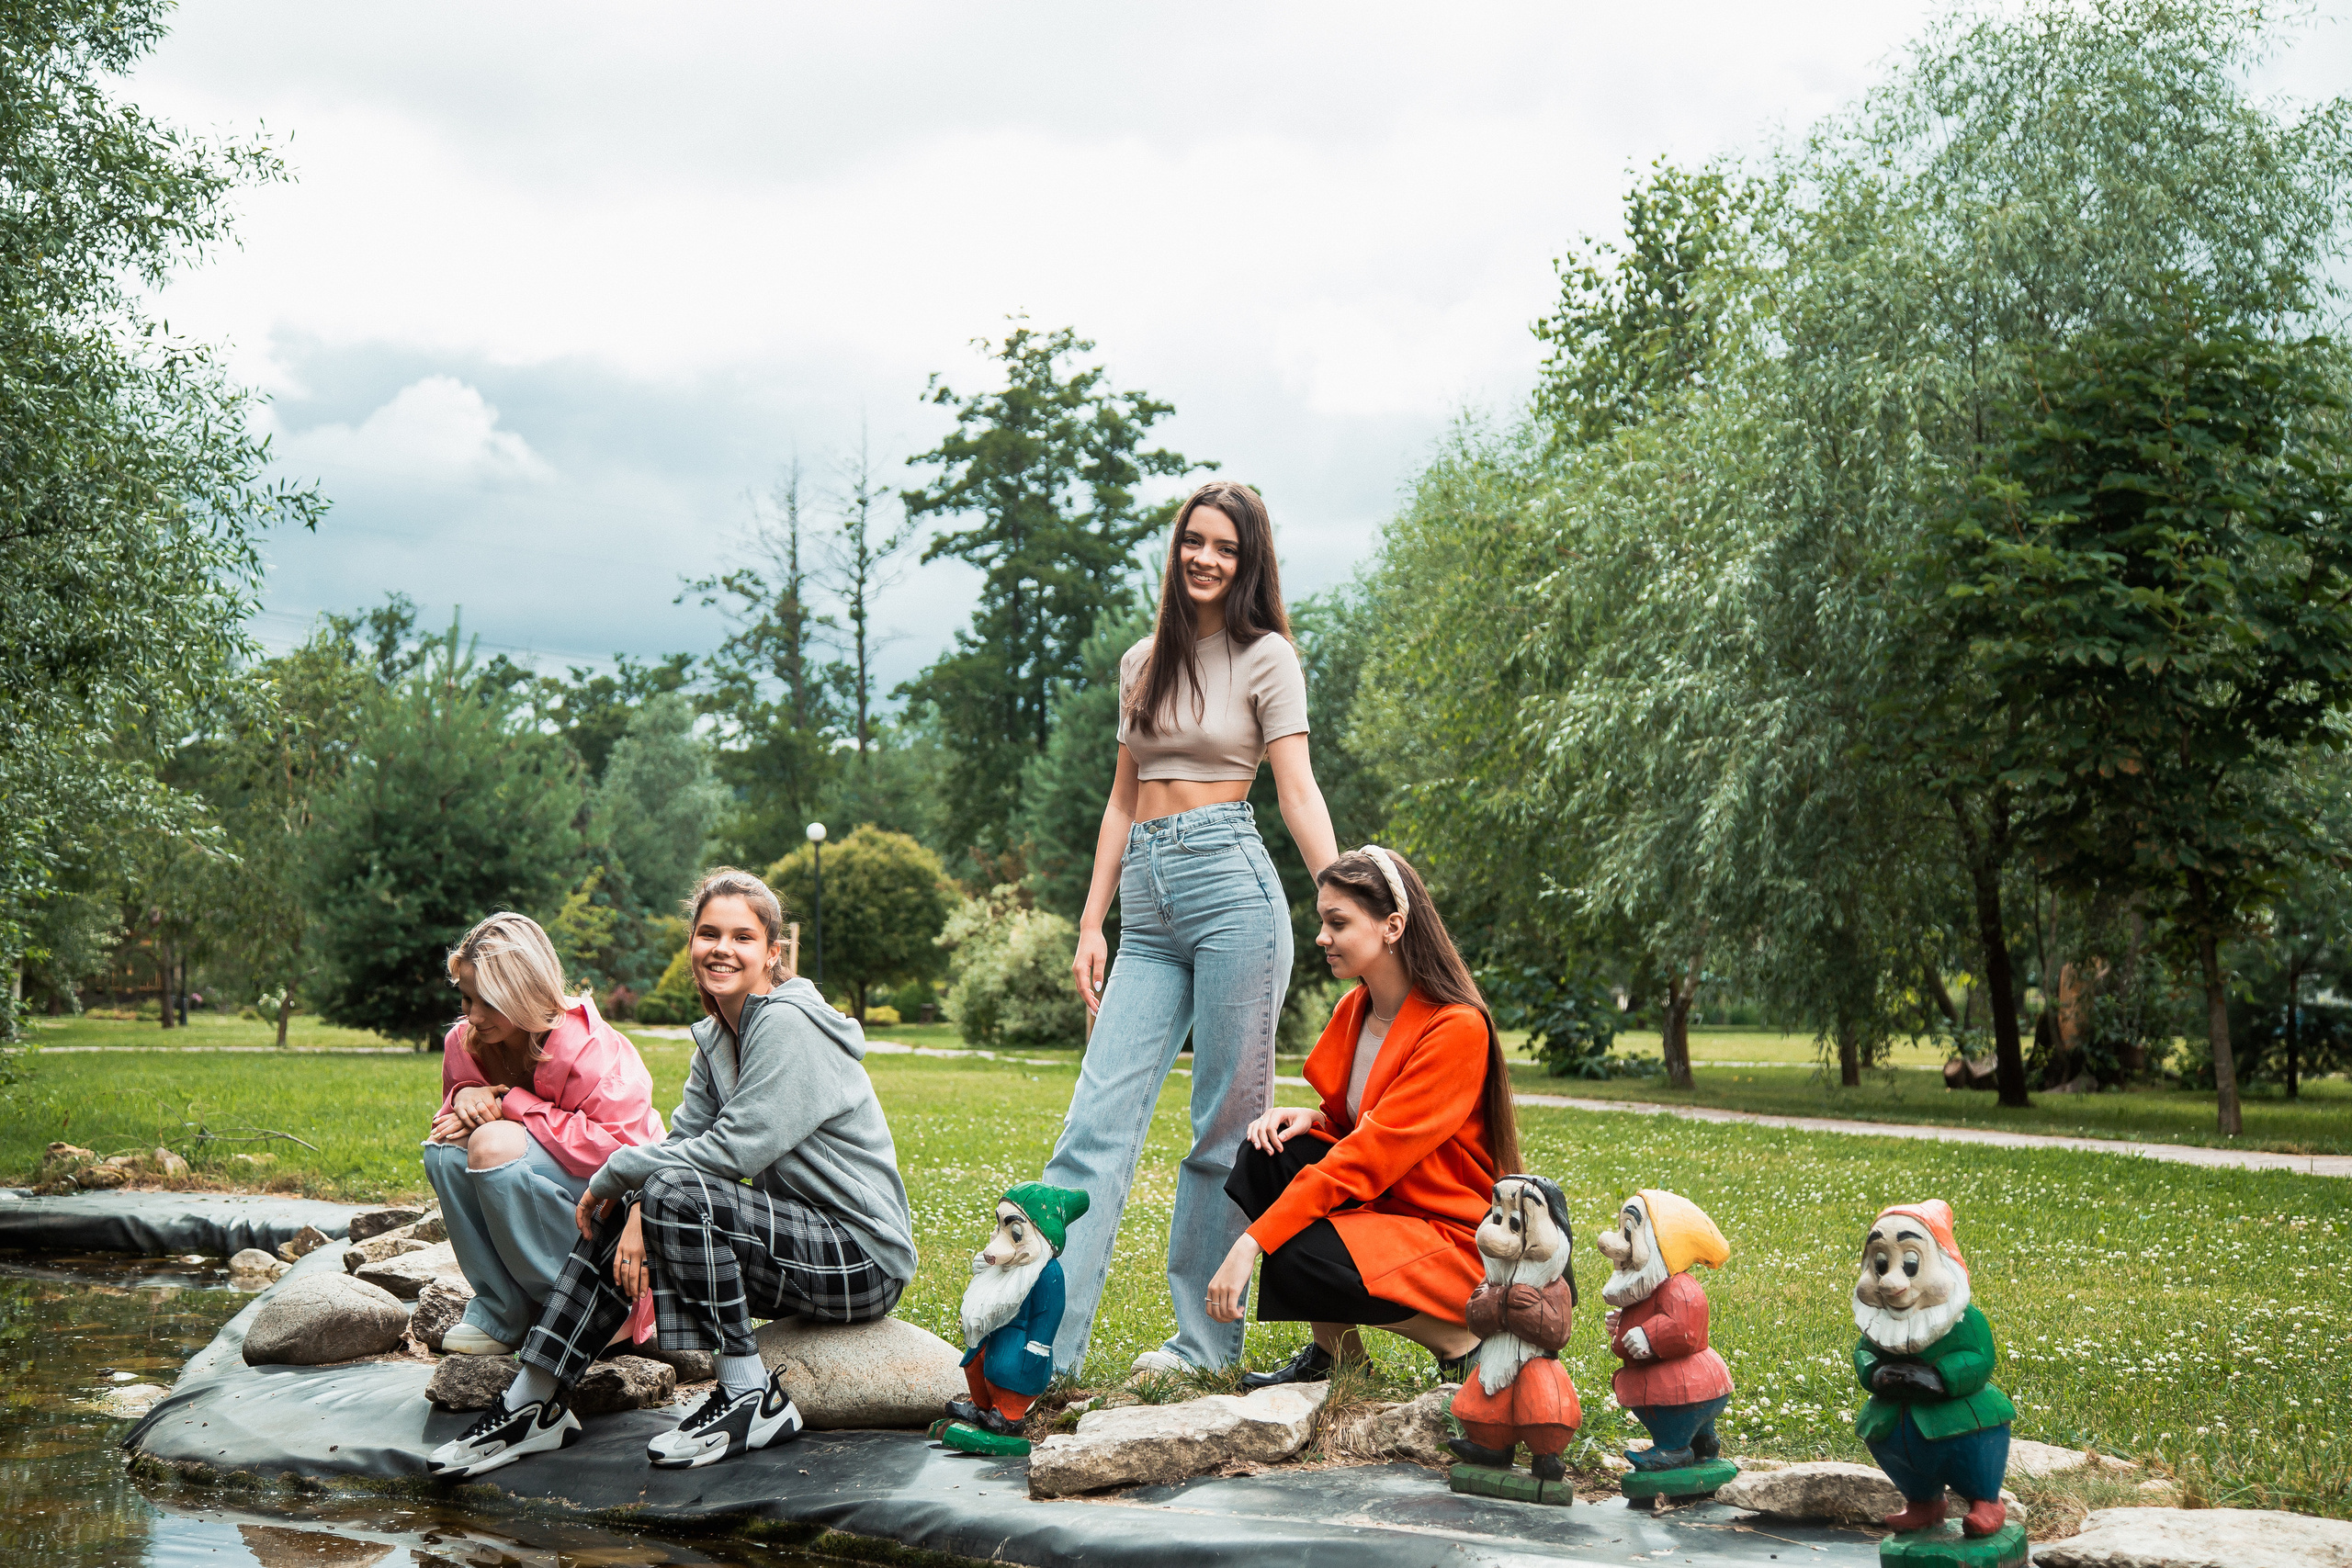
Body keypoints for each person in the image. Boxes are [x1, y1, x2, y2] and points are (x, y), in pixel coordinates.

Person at [427, 868, 918, 1478]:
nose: (722, 947)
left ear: (772, 951)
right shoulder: (719, 1035)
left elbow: (733, 1150)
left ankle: (748, 1395)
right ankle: (533, 1400)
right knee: (639, 1202)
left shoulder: (790, 1023)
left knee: (666, 1189)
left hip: (860, 1254)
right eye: (709, 932)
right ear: (691, 942)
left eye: (742, 936)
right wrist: (632, 1208)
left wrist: (618, 1175)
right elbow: (684, 1139)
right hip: (794, 1244)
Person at [1045, 479, 1339, 1378]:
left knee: (1222, 1131)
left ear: (1247, 563)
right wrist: (1093, 922)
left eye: (1226, 548)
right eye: (1194, 542)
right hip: (1148, 902)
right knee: (1091, 1126)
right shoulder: (1142, 660)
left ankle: (1204, 1348)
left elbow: (1295, 789)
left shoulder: (1266, 658)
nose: (1206, 558)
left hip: (1231, 893)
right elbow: (1121, 801)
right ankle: (1038, 1355)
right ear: (1176, 550)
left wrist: (1345, 903)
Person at [1204, 845, 1522, 1387]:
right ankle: (1340, 1360)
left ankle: (1461, 1341)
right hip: (1384, 1199)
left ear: (1392, 926)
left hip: (1441, 1227)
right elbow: (1360, 1130)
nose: (1322, 937)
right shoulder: (1355, 1009)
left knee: (1295, 1247)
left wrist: (1250, 1241)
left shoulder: (1456, 1027)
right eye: (1321, 921)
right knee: (1267, 1157)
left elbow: (1374, 1155)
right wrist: (1315, 1121)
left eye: (1337, 922)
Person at [424, 912, 666, 1356]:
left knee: (493, 1145)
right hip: (560, 1189)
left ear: (525, 992)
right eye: (466, 1000)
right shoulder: (466, 1043)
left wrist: (513, 1103)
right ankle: (505, 1310)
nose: (474, 1017)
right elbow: (457, 1125)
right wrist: (463, 1095)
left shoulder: (592, 1048)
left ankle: (582, 1309)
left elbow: (618, 1151)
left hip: (620, 1199)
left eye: (489, 1003)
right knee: (445, 1151)